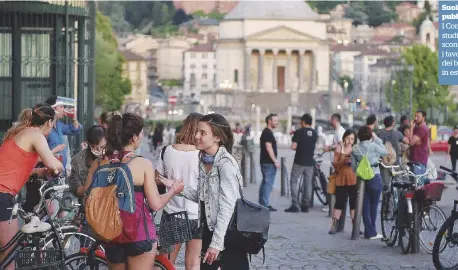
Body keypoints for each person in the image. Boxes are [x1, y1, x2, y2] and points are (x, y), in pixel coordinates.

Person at [82, 113, 184, 269]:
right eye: (141, 133)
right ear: (134, 137)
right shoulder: (142, 163)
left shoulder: (99, 163)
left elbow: (86, 196)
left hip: (110, 234)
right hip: (138, 233)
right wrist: (173, 191)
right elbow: (156, 204)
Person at [161, 113, 248, 270]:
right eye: (197, 131)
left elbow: (227, 207)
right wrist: (179, 188)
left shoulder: (225, 164)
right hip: (208, 232)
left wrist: (216, 244)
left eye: (202, 133)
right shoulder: (206, 161)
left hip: (226, 237)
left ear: (217, 137)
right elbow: (205, 198)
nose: (196, 136)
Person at [0, 104, 64, 269]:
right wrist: (61, 167)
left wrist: (40, 171)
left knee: (5, 250)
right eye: (54, 123)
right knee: (9, 253)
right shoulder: (36, 135)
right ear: (49, 122)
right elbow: (54, 163)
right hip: (2, 194)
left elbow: (13, 169)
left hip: (4, 193)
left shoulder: (20, 132)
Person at [155, 113, 203, 270]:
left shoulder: (167, 151)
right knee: (194, 262)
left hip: (173, 213)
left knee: (166, 261)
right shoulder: (203, 154)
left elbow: (157, 178)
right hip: (198, 214)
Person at [352, 126, 387, 240]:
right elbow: (385, 152)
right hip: (374, 177)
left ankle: (369, 231)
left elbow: (353, 167)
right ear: (370, 135)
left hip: (361, 179)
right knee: (374, 205)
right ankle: (371, 232)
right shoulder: (373, 145)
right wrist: (376, 138)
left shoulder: (355, 148)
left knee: (364, 206)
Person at [285, 113, 317, 213]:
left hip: (299, 161)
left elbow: (293, 147)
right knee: (308, 184)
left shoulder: (299, 132)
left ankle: (295, 205)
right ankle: (305, 205)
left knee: (294, 181)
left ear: (303, 122)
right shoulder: (315, 133)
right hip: (310, 162)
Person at [44, 95, 83, 174]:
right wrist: (55, 150)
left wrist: (74, 118)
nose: (64, 109)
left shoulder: (59, 125)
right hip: (49, 171)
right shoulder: (45, 127)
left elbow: (75, 130)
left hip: (61, 171)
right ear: (53, 109)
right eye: (61, 107)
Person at [329, 129, 357, 234]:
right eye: (348, 138)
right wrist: (343, 160)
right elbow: (335, 164)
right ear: (344, 137)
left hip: (353, 179)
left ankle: (356, 226)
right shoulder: (339, 147)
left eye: (352, 139)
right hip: (341, 179)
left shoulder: (355, 149)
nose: (350, 141)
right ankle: (334, 225)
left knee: (353, 203)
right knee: (339, 203)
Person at [69, 125, 106, 201]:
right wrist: (89, 184)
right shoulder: (78, 161)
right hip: (88, 205)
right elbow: (76, 190)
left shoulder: (116, 157)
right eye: (95, 147)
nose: (99, 151)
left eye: (102, 147)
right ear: (88, 144)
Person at [377, 116, 409, 193]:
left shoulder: (380, 134)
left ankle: (385, 203)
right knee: (397, 184)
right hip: (396, 163)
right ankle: (397, 202)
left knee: (385, 185)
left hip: (384, 163)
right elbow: (407, 141)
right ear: (392, 123)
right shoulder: (397, 133)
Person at [323, 113, 346, 213]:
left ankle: (333, 207)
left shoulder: (340, 131)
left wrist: (330, 148)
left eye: (331, 120)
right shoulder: (339, 131)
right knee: (335, 184)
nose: (330, 121)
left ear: (335, 120)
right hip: (338, 161)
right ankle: (333, 206)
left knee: (334, 184)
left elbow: (341, 144)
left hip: (339, 162)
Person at [259, 113, 279, 211]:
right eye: (275, 120)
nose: (276, 122)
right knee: (268, 184)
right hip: (268, 163)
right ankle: (264, 205)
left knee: (265, 183)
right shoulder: (267, 133)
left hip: (266, 162)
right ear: (269, 121)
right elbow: (268, 147)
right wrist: (275, 161)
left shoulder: (267, 132)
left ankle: (263, 203)